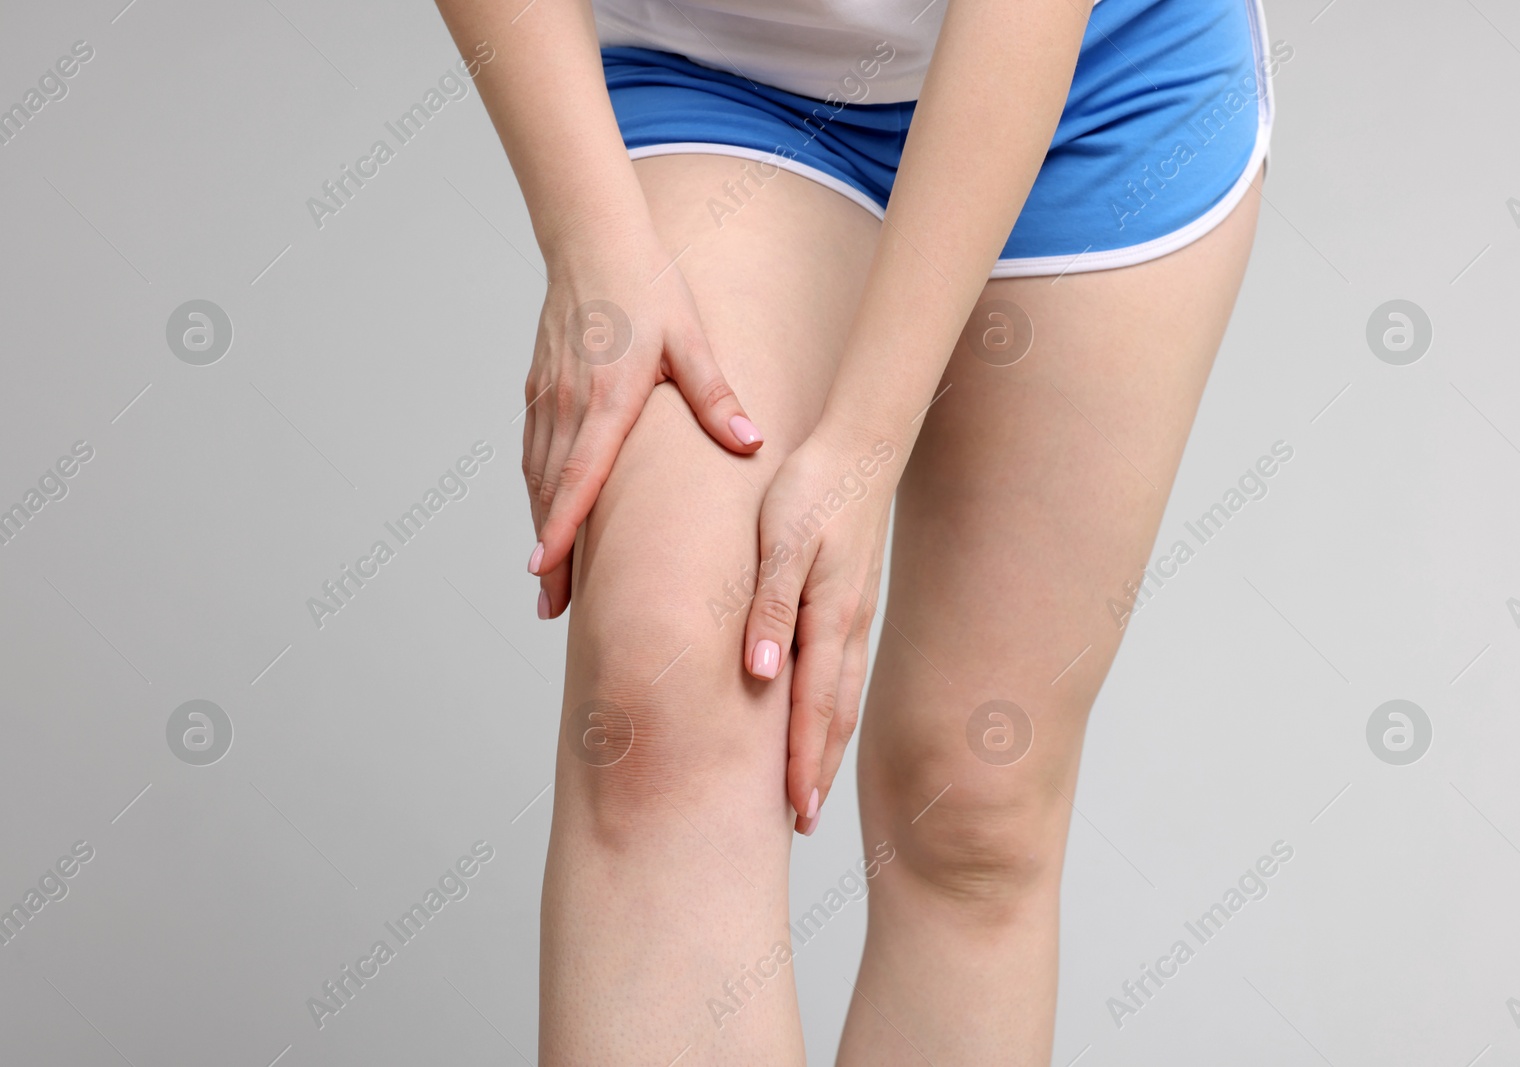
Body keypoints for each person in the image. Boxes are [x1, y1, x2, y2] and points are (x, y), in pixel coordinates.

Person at [431, 0, 1275, 1061]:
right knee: (662, 698)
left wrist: (868, 440)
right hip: (720, 66)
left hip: (1092, 75)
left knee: (971, 802)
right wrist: (589, 241)